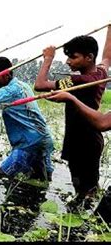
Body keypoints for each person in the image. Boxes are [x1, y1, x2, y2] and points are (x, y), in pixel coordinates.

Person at [34, 25, 111, 201]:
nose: (68, 61)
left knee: (82, 187)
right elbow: (107, 56)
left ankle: (80, 217)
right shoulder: (100, 73)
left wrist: (48, 58)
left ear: (89, 57)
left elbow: (40, 85)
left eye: (73, 57)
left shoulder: (78, 80)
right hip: (92, 137)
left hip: (81, 139)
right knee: (90, 184)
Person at [46, 91, 111, 222]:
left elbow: (103, 122)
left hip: (89, 143)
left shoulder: (88, 79)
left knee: (101, 221)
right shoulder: (79, 80)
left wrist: (71, 99)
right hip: (75, 141)